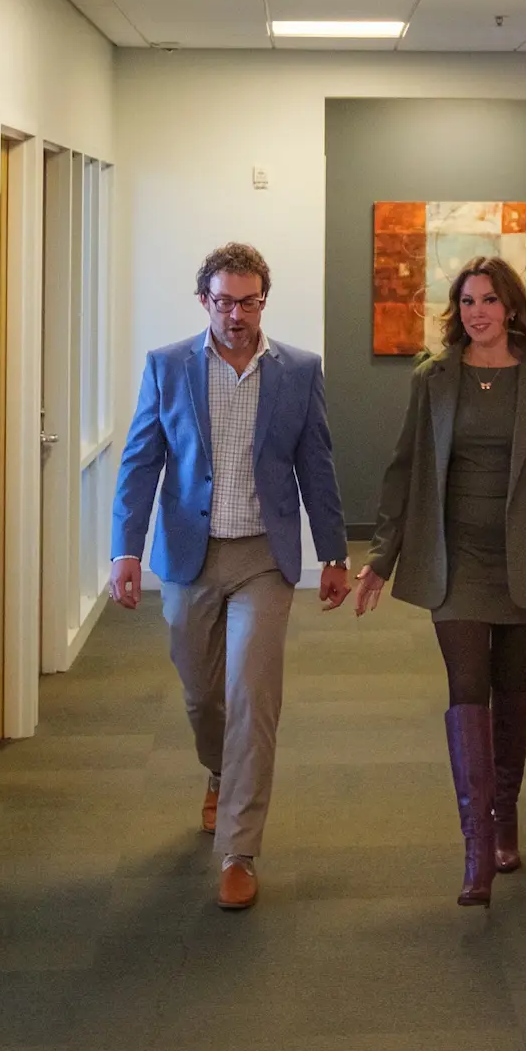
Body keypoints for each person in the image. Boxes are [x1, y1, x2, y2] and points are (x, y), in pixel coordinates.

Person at [112, 242, 350, 912]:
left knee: (253, 694)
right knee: (202, 693)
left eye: (248, 301)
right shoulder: (168, 366)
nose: (236, 314)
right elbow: (140, 462)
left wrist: (334, 553)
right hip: (190, 556)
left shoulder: (298, 370)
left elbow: (317, 464)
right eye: (224, 301)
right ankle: (217, 768)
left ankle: (239, 849)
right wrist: (124, 550)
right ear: (204, 301)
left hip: (263, 561)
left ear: (263, 301)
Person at [357, 258, 526, 906]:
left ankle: (504, 815)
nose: (477, 312)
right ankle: (475, 848)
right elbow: (404, 469)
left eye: (488, 300)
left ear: (511, 307)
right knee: (467, 688)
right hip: (454, 556)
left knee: (510, 684)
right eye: (466, 301)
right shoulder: (435, 379)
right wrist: (381, 557)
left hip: (523, 556)